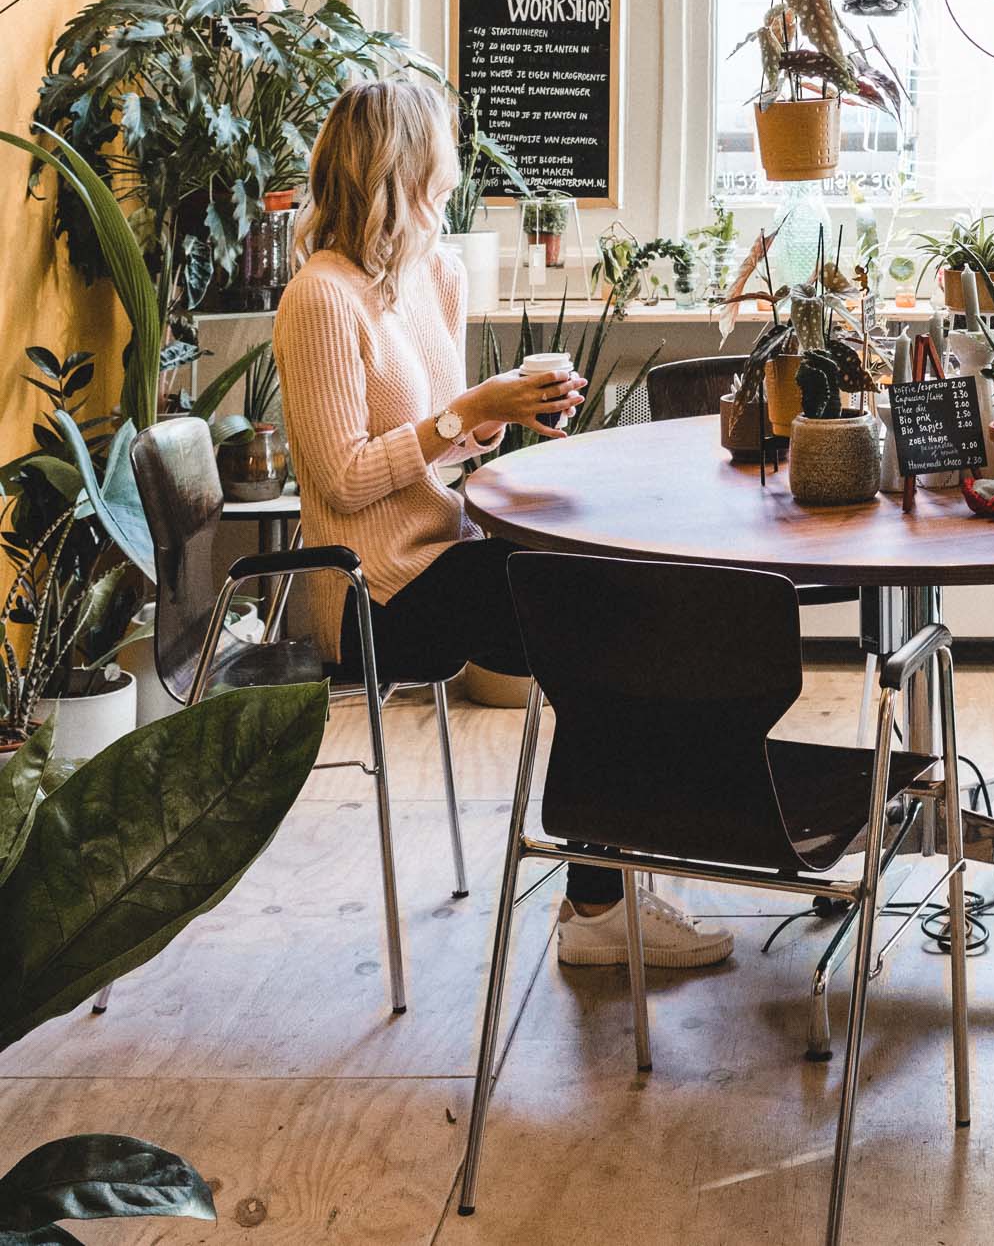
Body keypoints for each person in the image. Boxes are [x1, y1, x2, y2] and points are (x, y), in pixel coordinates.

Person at [273, 77, 731, 971]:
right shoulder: (320, 298)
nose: (457, 166)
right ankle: (599, 901)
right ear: (399, 168)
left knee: (611, 586)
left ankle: (622, 864)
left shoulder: (430, 274)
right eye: (443, 150)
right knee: (595, 621)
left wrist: (500, 413)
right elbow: (343, 478)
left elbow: (443, 439)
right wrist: (467, 413)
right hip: (372, 590)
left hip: (443, 548)